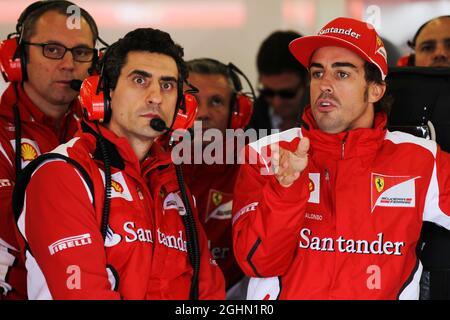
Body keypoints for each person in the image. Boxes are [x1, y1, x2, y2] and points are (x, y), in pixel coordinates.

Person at [231, 17, 450, 299]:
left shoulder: (420, 159)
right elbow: (257, 262)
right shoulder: (267, 155)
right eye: (317, 73)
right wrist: (285, 190)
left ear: (375, 89)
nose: (325, 85)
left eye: (342, 74)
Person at [14, 28, 225, 300]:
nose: (155, 97)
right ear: (104, 92)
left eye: (167, 85)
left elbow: (209, 292)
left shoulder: (175, 186)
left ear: (182, 107)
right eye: (140, 80)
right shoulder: (61, 174)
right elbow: (84, 294)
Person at [0, 0, 100, 299]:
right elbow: (9, 222)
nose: (68, 64)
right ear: (16, 57)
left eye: (81, 52)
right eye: (52, 49)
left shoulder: (104, 130)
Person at [182, 58, 253, 298]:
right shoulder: (151, 166)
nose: (202, 113)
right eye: (191, 101)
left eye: (216, 101)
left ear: (237, 113)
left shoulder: (253, 168)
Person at [249, 30, 309, 132]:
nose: (277, 102)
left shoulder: (330, 121)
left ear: (308, 80)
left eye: (287, 94)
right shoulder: (245, 123)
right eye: (268, 92)